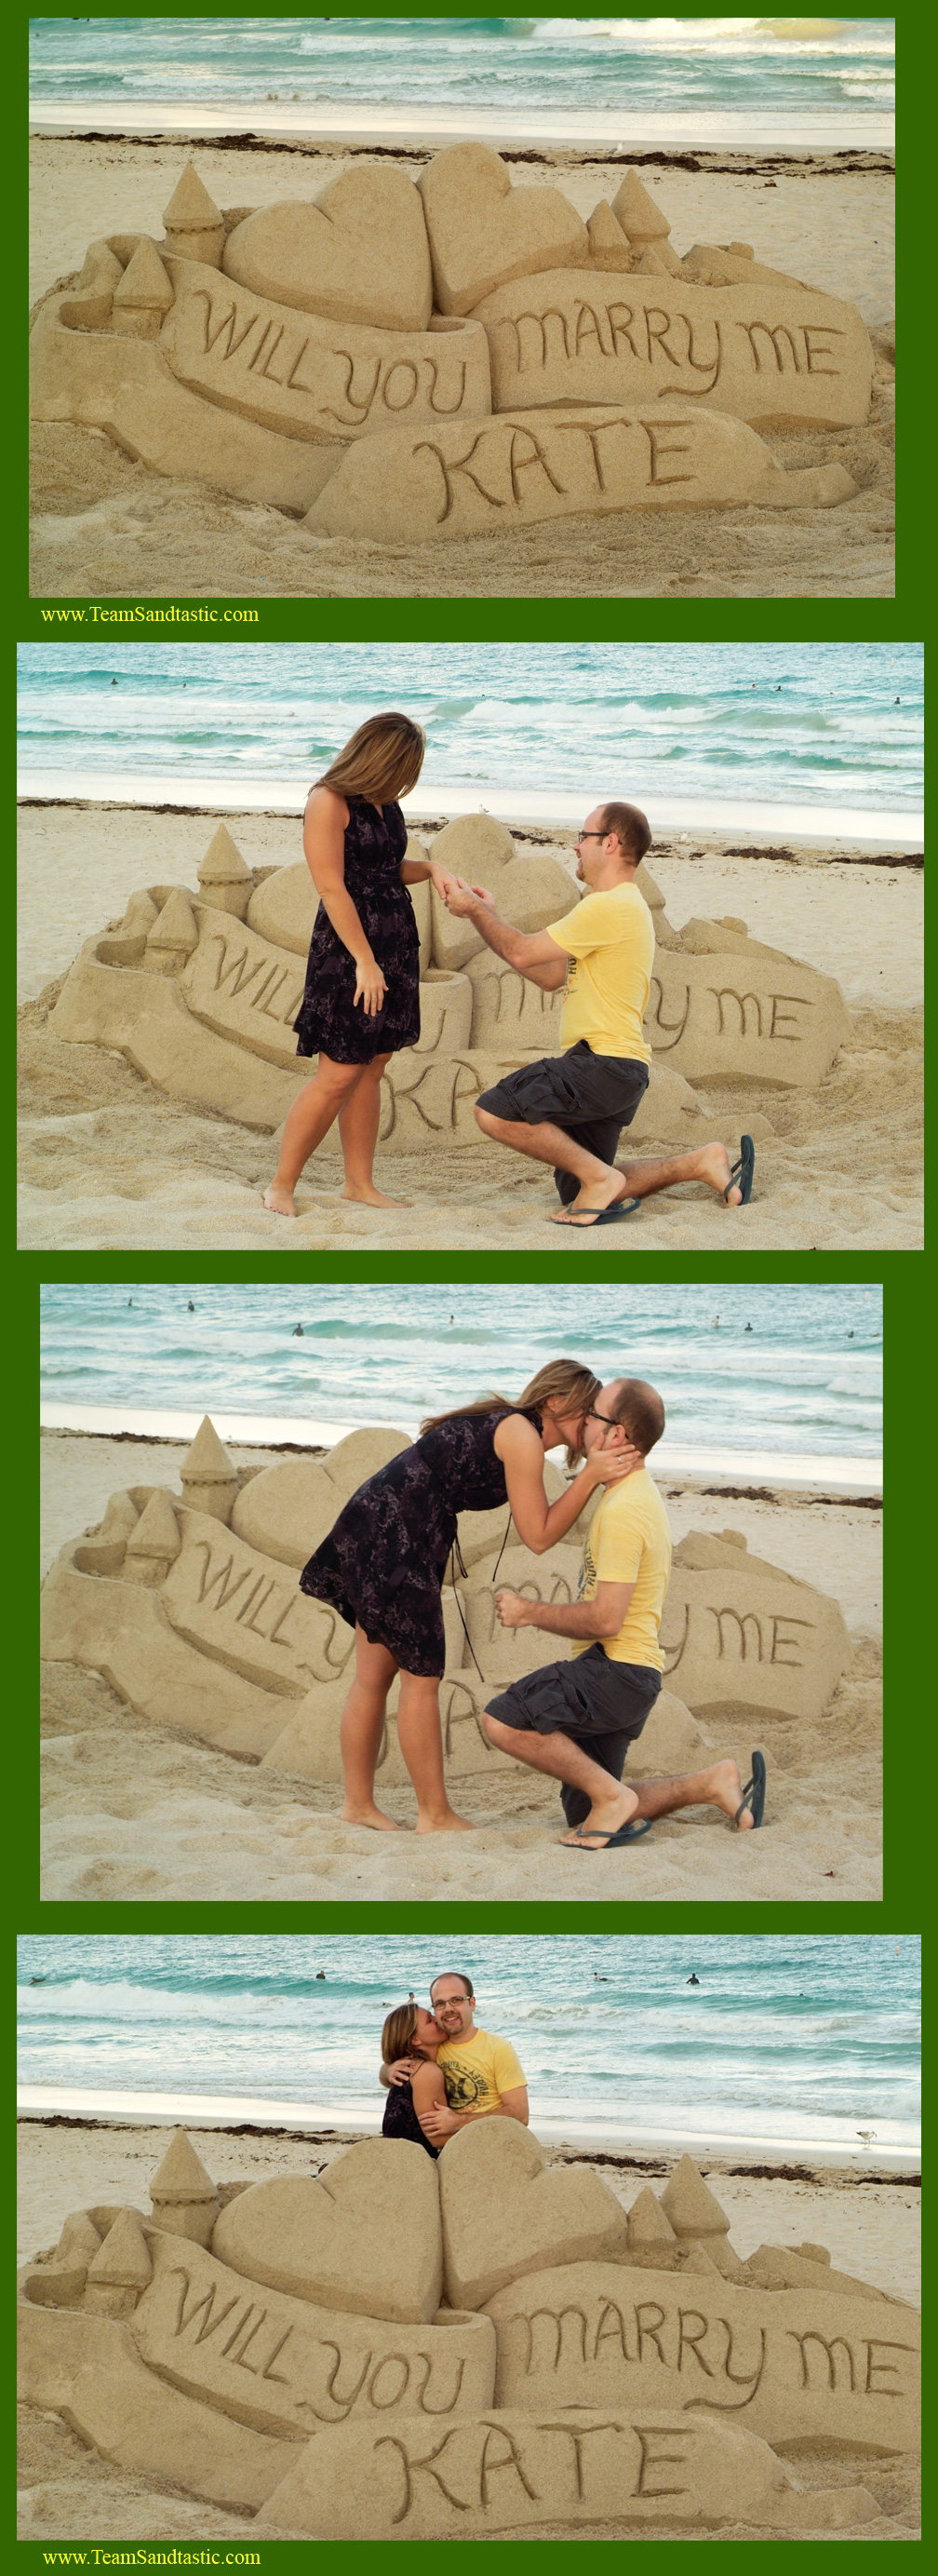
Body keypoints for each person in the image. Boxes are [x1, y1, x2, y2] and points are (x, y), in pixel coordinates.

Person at [299, 1360, 640, 1836]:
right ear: (557, 1402)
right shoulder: (522, 1435)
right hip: (401, 1537)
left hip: (380, 1522)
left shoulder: (509, 1425)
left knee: (372, 1677)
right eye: (588, 1411)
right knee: (421, 1679)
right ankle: (434, 1816)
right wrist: (589, 1478)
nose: (591, 1424)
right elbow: (538, 1536)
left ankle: (358, 1805)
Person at [481, 1376, 767, 1850]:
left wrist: (530, 1611)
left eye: (593, 1412)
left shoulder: (626, 1509)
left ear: (615, 1434)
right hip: (630, 1677)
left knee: (502, 1719)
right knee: (588, 1808)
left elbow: (605, 1620)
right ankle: (711, 1783)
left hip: (614, 1671)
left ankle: (613, 1798)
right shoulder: (627, 1494)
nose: (584, 1420)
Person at [442, 802, 754, 1226]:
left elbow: (520, 950)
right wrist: (489, 915)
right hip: (619, 1071)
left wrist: (474, 911)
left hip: (602, 1063)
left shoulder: (610, 906)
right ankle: (700, 1164)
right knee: (579, 1189)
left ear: (609, 842)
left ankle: (600, 1179)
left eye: (583, 836)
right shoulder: (617, 907)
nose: (575, 846)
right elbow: (549, 975)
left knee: (496, 1108)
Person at [262, 712, 482, 1219]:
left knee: (373, 1066)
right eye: (403, 768)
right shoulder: (327, 801)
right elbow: (331, 886)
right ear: (378, 757)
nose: (406, 781)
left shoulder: (384, 802)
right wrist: (363, 961)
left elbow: (385, 870)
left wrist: (433, 868)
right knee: (338, 1072)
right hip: (349, 950)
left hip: (396, 942)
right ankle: (280, 1186)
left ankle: (358, 1184)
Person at [381, 1972, 528, 2148]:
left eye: (456, 2000)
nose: (448, 2009)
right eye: (440, 2004)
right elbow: (404, 2071)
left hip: (491, 2145)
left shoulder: (498, 2049)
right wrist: (387, 2071)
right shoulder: (432, 2048)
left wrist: (459, 2121)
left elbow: (520, 2115)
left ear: (471, 2003)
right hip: (448, 2150)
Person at [379, 2002, 447, 2159]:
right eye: (430, 2020)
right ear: (415, 2039)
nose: (437, 2019)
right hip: (414, 2171)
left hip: (396, 2163)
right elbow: (438, 2138)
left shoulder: (408, 2067)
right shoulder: (426, 2072)